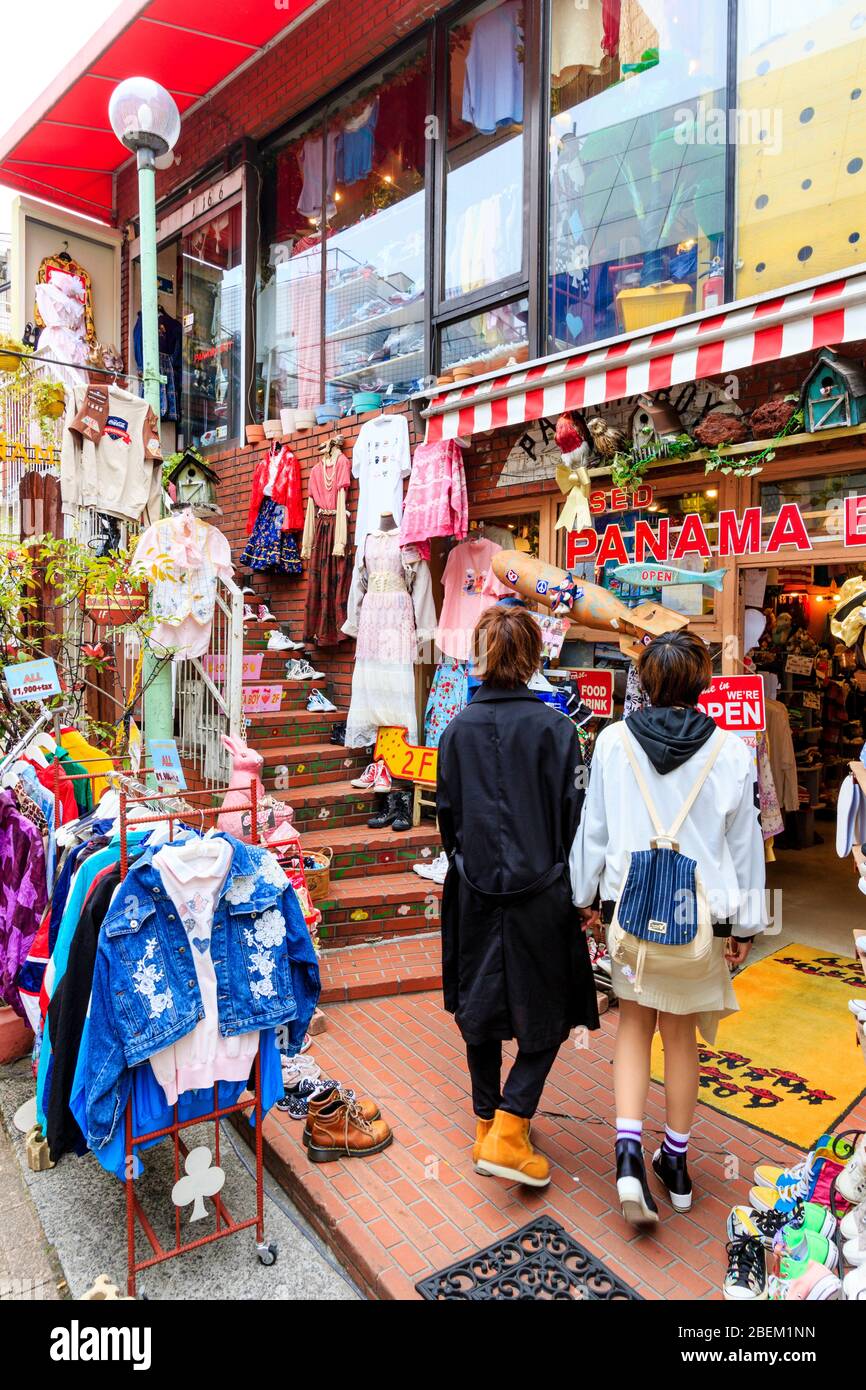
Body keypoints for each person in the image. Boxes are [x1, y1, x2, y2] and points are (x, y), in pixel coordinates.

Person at [570, 630, 764, 1226]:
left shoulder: (610, 743)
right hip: (698, 922)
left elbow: (594, 830)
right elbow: (744, 844)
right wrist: (747, 924)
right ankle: (674, 1167)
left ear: (646, 683)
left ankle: (627, 1161)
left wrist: (583, 896)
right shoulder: (733, 750)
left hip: (629, 917)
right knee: (682, 1038)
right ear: (702, 683)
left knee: (633, 1028)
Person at [437, 604, 599, 1188]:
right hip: (544, 891)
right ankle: (510, 1122)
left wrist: (466, 861)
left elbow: (448, 820)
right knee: (551, 1010)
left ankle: (490, 1123)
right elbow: (574, 819)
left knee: (476, 1010)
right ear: (533, 657)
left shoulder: (456, 731)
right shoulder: (558, 730)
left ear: (481, 656)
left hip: (473, 889)